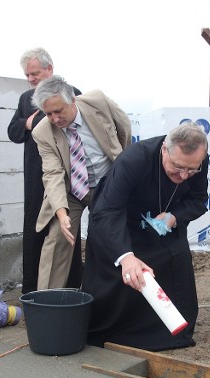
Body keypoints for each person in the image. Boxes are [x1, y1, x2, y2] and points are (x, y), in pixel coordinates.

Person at [84, 123, 209, 351]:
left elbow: (198, 199)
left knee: (174, 259)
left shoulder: (197, 161)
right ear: (164, 150)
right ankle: (115, 332)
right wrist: (125, 257)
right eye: (178, 167)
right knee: (126, 271)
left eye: (191, 170)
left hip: (163, 222)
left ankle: (170, 333)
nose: (183, 176)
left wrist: (173, 217)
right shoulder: (134, 160)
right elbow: (107, 211)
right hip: (122, 221)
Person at [31, 75, 131, 290]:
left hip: (107, 185)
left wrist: (121, 168)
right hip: (71, 191)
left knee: (110, 238)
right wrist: (61, 213)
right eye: (49, 114)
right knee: (58, 238)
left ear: (72, 101)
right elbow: (52, 173)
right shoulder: (42, 132)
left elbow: (124, 127)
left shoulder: (98, 101)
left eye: (59, 111)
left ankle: (108, 296)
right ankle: (47, 303)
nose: (55, 119)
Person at [6, 48, 84, 294]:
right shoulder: (25, 98)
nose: (31, 79)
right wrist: (28, 123)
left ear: (49, 69)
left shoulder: (71, 93)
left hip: (65, 176)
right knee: (35, 229)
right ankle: (33, 291)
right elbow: (13, 131)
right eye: (27, 75)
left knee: (64, 231)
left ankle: (69, 289)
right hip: (35, 174)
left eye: (35, 73)